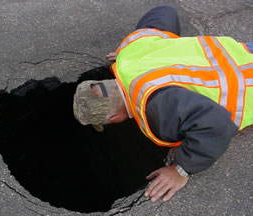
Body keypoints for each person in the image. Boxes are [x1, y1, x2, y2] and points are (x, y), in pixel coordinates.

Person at [73, 5, 253, 203]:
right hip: (243, 54)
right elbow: (165, 12)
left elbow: (218, 124)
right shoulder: (131, 52)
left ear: (114, 119)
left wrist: (181, 169)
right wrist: (128, 54)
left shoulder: (157, 106)